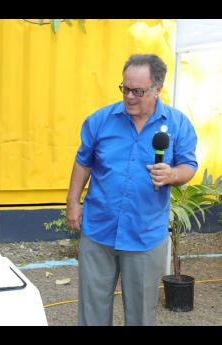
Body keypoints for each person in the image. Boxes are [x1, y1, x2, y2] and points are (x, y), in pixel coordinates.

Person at [65, 54, 198, 326]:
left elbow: (189, 165)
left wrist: (172, 174)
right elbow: (83, 162)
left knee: (140, 315)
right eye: (125, 88)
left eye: (138, 91)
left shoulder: (177, 124)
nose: (129, 97)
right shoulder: (100, 120)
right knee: (92, 312)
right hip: (99, 230)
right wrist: (72, 202)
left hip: (145, 234)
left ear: (157, 89)